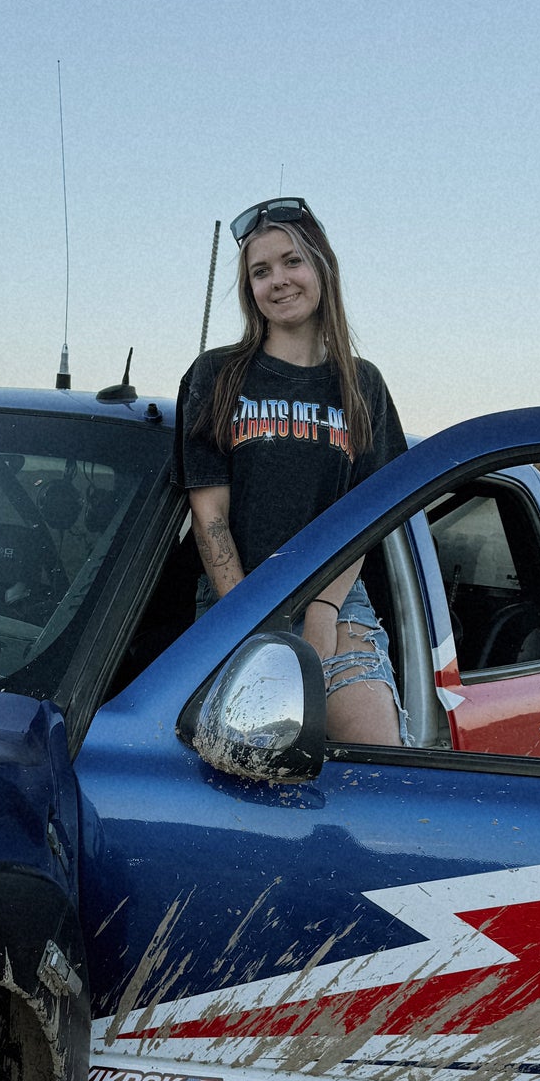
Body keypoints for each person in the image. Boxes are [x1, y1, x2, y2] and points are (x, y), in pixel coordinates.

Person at [175, 196, 408, 745]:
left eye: (291, 262)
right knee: (230, 766)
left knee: (375, 764)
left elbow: (366, 518)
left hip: (337, 595)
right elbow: (209, 517)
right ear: (249, 288)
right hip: (233, 595)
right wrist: (251, 619)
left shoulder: (362, 384)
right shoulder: (218, 374)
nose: (278, 280)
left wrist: (323, 611)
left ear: (322, 268)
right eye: (261, 271)